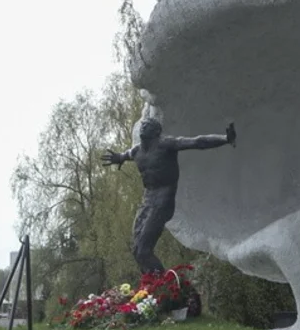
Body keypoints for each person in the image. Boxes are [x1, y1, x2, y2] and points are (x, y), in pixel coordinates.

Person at [101, 114, 236, 275]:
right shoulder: (137, 151)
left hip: (162, 203)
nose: (143, 126)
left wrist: (225, 139)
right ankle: (150, 284)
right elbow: (125, 155)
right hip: (147, 202)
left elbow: (197, 142)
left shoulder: (166, 144)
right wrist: (119, 158)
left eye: (148, 125)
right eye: (143, 124)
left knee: (143, 249)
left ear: (156, 131)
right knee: (137, 250)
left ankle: (163, 285)